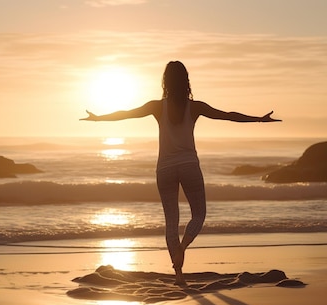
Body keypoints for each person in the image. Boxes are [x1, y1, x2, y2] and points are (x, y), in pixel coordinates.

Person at [81, 60, 281, 285]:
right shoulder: (195, 107)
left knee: (171, 222)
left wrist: (98, 118)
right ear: (186, 80)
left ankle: (179, 276)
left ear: (165, 81)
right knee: (198, 215)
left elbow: (126, 113)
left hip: (164, 168)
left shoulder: (157, 106)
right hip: (189, 166)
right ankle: (183, 248)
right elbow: (228, 115)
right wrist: (260, 119)